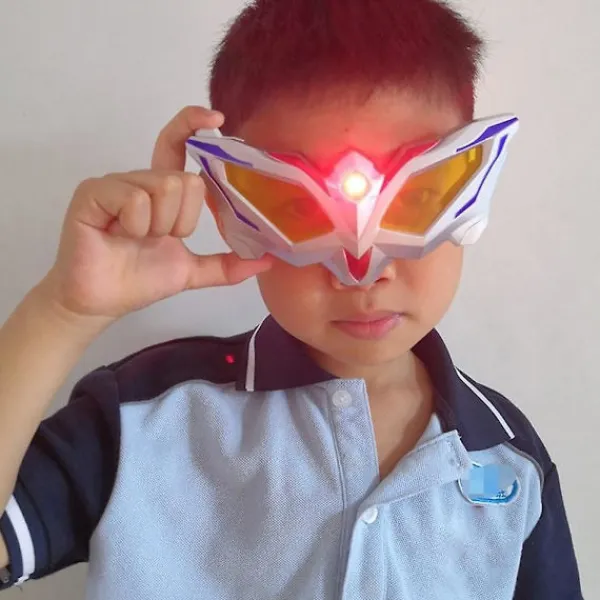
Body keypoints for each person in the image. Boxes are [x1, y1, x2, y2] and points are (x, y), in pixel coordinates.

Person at [0, 0, 583, 598]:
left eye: (414, 201)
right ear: (228, 209)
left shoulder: (512, 459)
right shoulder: (141, 418)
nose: (362, 272)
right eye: (300, 210)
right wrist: (63, 311)